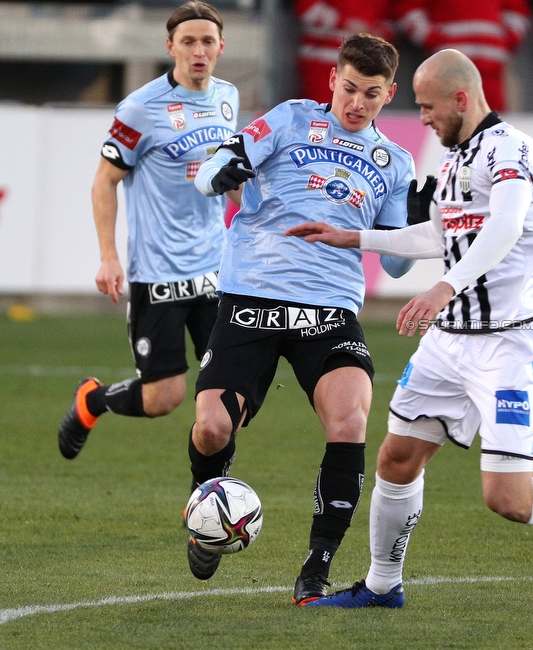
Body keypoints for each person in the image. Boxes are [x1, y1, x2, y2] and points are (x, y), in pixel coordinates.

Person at [285, 48, 533, 608]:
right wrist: (354, 238)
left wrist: (444, 287)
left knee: (508, 499)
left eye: (427, 106)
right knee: (396, 458)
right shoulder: (453, 161)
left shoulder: (511, 150)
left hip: (512, 343)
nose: (422, 118)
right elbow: (433, 238)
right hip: (450, 343)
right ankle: (383, 586)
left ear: (461, 99)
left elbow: (507, 225)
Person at [190, 33, 419, 603]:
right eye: (348, 88)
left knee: (350, 423)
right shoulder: (291, 119)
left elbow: (393, 265)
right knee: (213, 426)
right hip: (252, 298)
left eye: (370, 93)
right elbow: (214, 166)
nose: (357, 103)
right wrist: (221, 169)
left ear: (389, 94)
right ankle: (207, 507)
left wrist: (417, 223)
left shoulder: (396, 163)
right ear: (332, 81)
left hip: (330, 309)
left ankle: (316, 567)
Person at [57, 1, 239, 461]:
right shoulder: (140, 107)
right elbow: (105, 180)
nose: (199, 51)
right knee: (165, 398)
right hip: (158, 273)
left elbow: (226, 182)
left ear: (221, 46)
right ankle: (92, 401)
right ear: (170, 47)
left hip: (216, 271)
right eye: (188, 42)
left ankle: (207, 498)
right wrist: (108, 256)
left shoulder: (228, 98)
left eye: (207, 41)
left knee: (229, 395)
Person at [395, 0, 530, 112]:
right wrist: (433, 39)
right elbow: (409, 11)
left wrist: (506, 40)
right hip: (448, 70)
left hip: (492, 68)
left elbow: (518, 11)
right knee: (450, 122)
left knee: (494, 125)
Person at [294, 0, 395, 102]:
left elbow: (392, 18)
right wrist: (344, 22)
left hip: (367, 63)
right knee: (321, 109)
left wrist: (378, 31)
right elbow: (306, 8)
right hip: (322, 59)